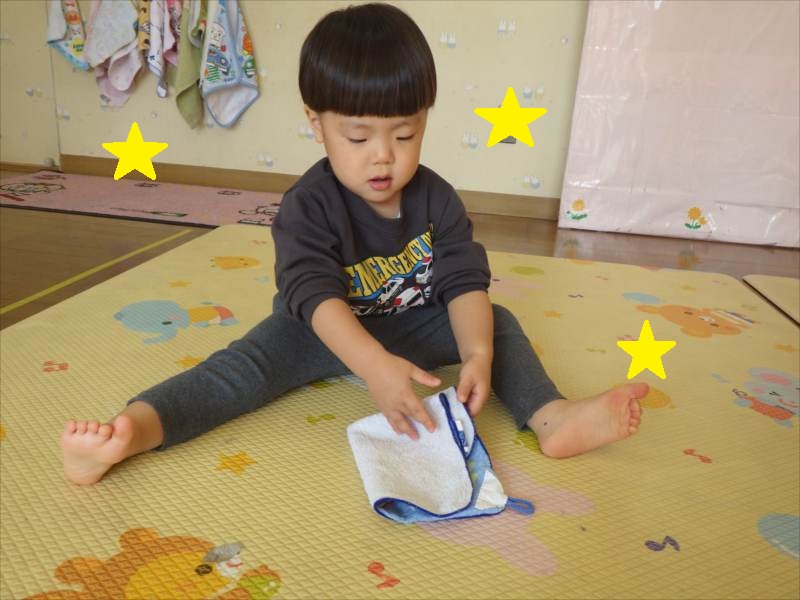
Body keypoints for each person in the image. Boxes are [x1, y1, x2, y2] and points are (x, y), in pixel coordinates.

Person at [61, 3, 647, 486]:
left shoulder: (437, 198)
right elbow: (312, 292)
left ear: (424, 121)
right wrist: (372, 368)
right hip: (319, 330)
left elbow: (463, 280)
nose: (383, 156)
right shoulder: (308, 205)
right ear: (317, 124)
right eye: (359, 137)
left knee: (498, 324)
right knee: (236, 372)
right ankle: (128, 433)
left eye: (405, 134)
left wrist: (476, 355)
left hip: (412, 326)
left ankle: (551, 418)